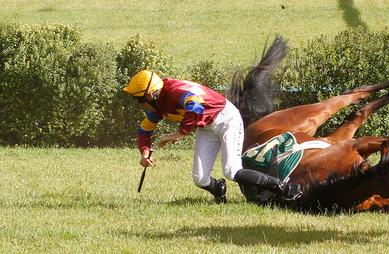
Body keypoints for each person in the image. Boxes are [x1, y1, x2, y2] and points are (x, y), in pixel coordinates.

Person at [123, 70, 302, 203]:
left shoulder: (175, 91)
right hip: (207, 127)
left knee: (231, 171)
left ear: (149, 95)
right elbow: (144, 131)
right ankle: (219, 189)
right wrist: (145, 154)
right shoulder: (157, 105)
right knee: (200, 178)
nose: (139, 104)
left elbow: (196, 106)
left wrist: (179, 133)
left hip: (227, 120)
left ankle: (285, 188)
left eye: (138, 99)